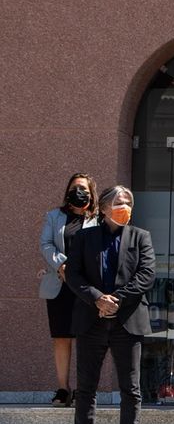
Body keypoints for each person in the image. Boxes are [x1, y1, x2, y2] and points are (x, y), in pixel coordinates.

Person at [62, 185, 156, 424]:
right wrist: (97, 299)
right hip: (91, 320)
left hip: (128, 320)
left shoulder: (141, 237)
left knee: (131, 387)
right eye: (118, 202)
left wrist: (115, 300)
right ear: (103, 208)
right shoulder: (84, 237)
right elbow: (73, 274)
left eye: (128, 201)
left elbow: (146, 275)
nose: (124, 206)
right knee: (86, 386)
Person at [39, 173, 98, 407]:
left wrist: (78, 269)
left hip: (87, 287)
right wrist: (62, 264)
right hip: (60, 284)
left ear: (91, 193)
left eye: (83, 188)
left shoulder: (98, 219)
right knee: (62, 337)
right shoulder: (54, 216)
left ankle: (84, 390)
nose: (78, 191)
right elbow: (45, 244)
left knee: (86, 337)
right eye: (74, 187)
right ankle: (63, 389)